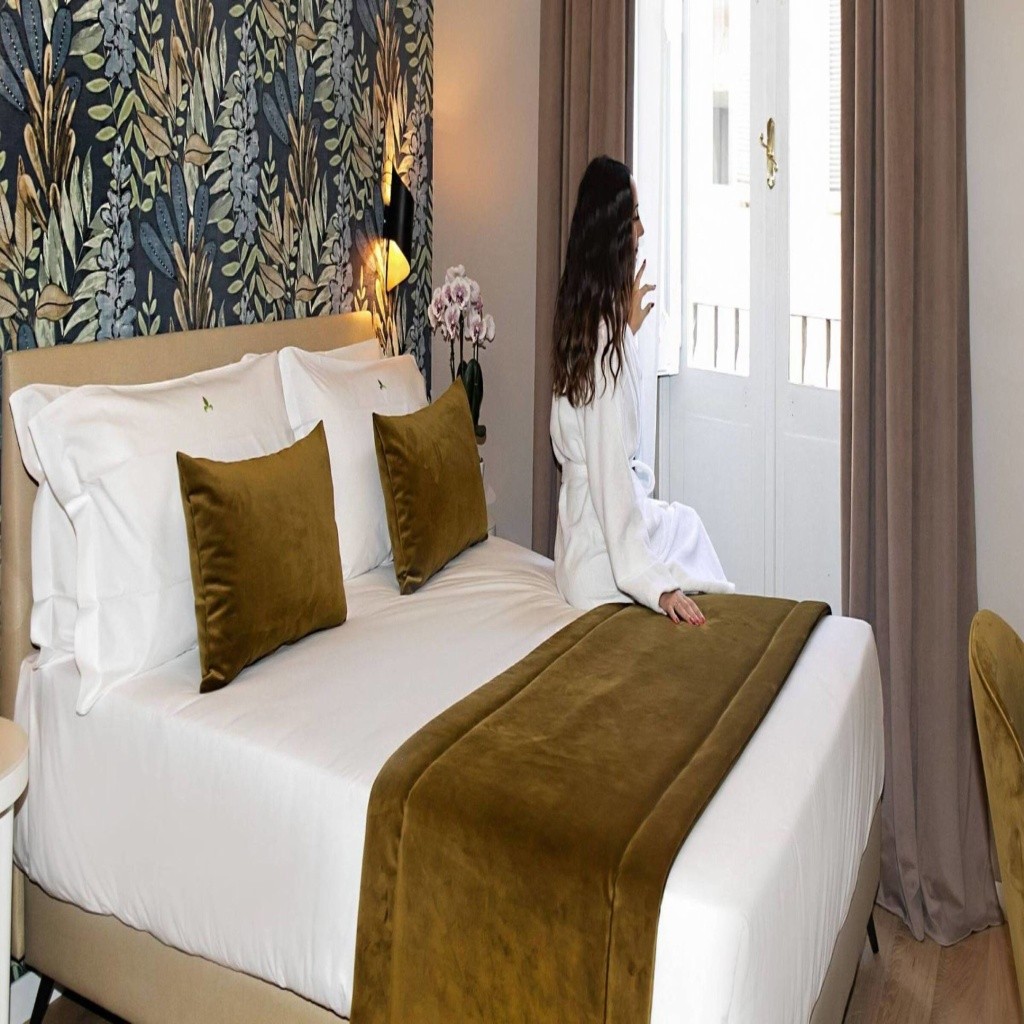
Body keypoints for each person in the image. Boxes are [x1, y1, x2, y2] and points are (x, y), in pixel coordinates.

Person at [549, 156, 734, 626]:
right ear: (613, 232)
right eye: (633, 217)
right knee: (688, 532)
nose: (642, 229)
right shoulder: (602, 349)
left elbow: (597, 423)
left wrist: (625, 330)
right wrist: (657, 586)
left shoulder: (583, 324)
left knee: (685, 524)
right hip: (602, 560)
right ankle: (719, 636)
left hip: (582, 545)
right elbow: (612, 478)